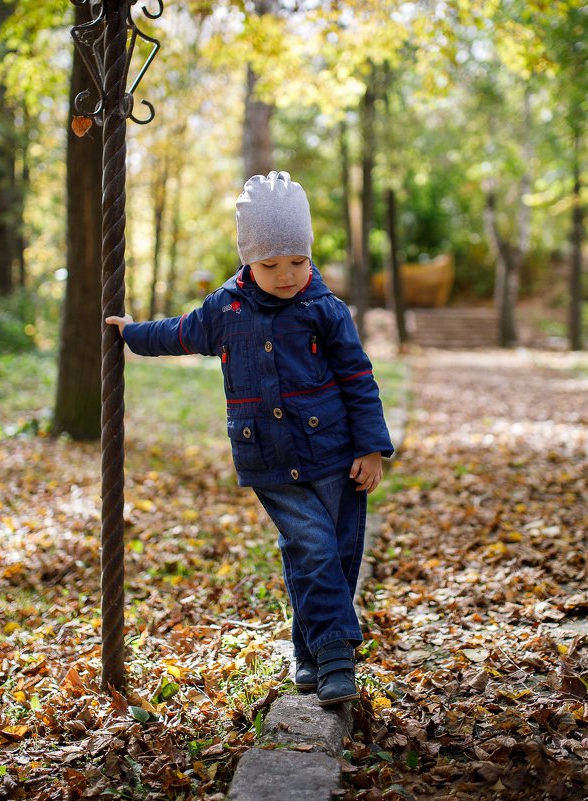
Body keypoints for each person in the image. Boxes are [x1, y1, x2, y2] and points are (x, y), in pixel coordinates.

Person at [105, 171, 393, 708]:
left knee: (334, 552)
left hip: (333, 454)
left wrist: (371, 447)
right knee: (311, 544)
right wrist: (133, 334)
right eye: (270, 265)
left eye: (297, 261)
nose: (286, 275)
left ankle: (306, 653)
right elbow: (182, 332)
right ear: (247, 260)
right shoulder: (225, 309)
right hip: (268, 457)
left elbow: (358, 377)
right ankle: (336, 659)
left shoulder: (324, 310)